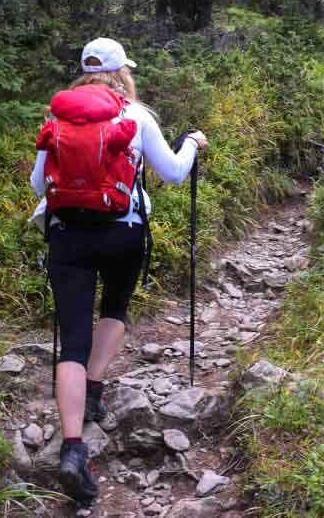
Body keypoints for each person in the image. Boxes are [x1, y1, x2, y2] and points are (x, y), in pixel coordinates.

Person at [29, 37, 208, 502]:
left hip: (67, 235)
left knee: (72, 339)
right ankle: (94, 389)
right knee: (114, 308)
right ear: (121, 72)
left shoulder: (59, 116)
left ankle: (72, 450)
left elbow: (36, 183)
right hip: (123, 233)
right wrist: (191, 143)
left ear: (83, 72)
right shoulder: (137, 115)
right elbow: (171, 173)